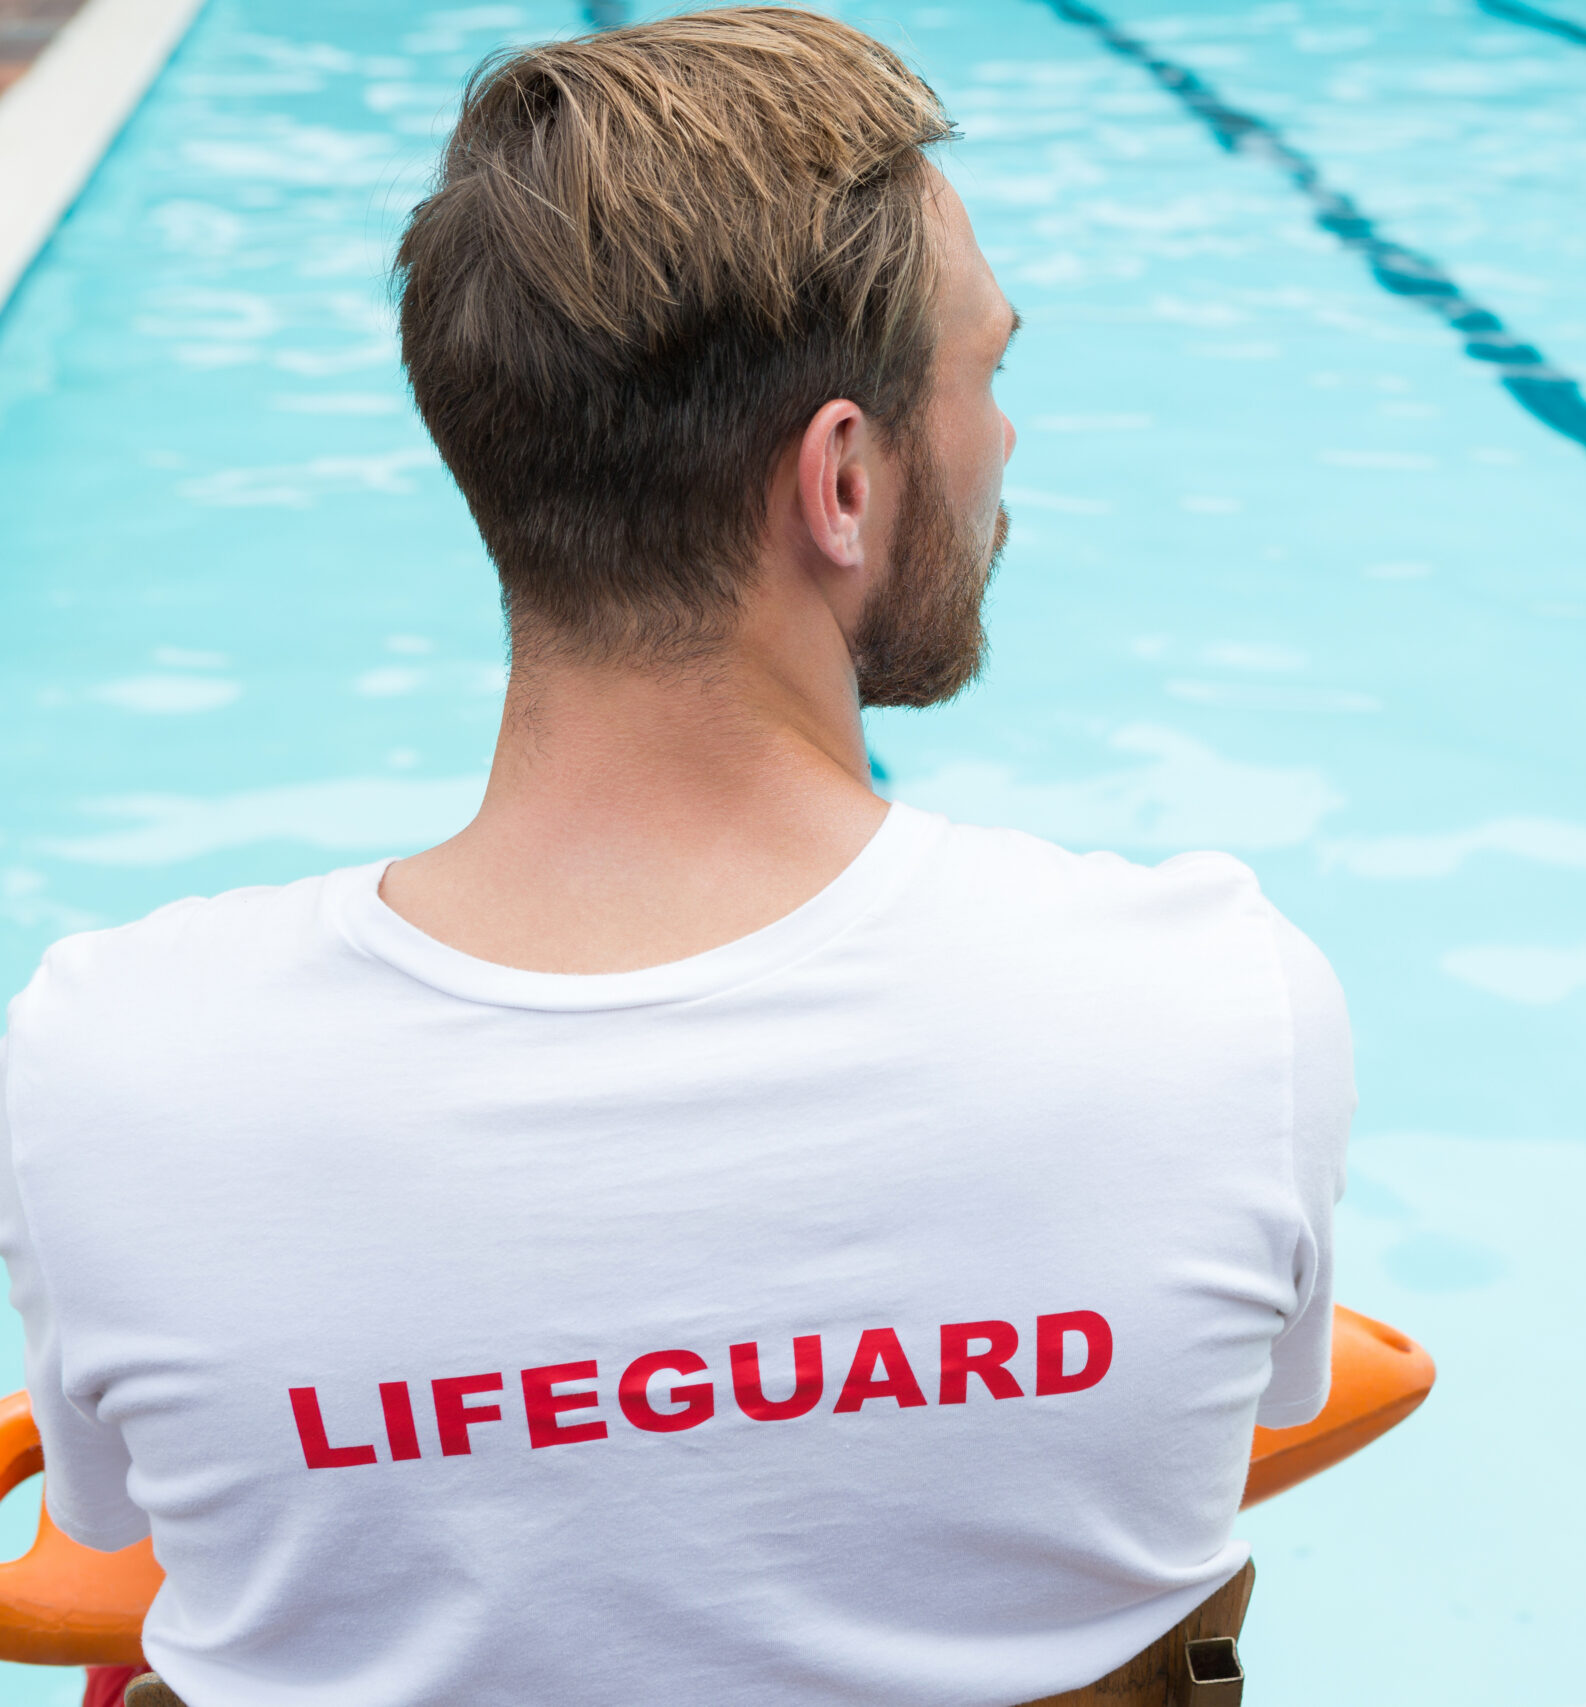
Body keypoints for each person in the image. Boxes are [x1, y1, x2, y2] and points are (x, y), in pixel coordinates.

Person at [0, 10, 1349, 1705]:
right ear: (840, 479)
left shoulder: (117, 1067)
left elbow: (122, 1531)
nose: (1006, 443)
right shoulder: (1209, 1007)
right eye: (987, 374)